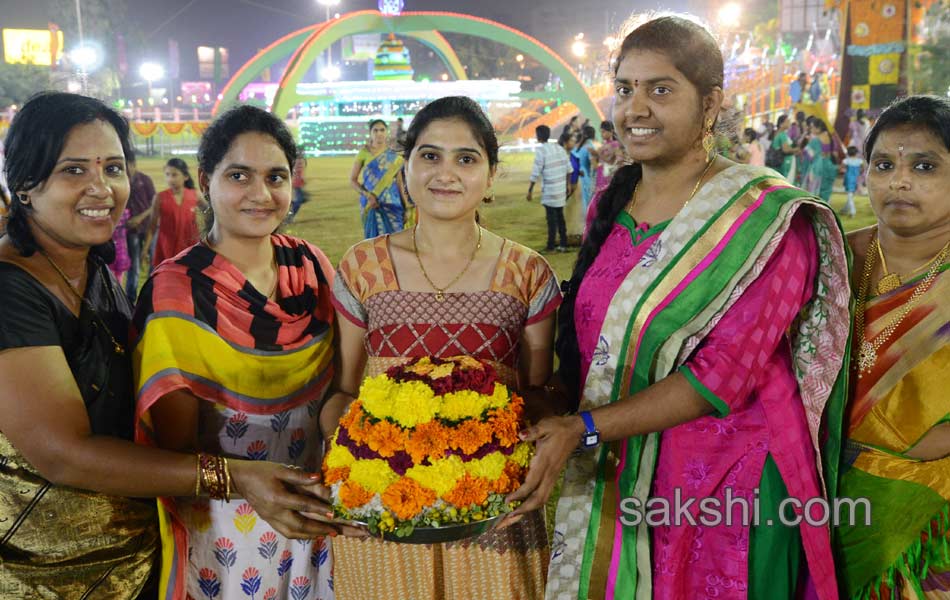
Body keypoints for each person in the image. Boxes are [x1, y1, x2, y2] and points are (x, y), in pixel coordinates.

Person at [498, 16, 851, 600]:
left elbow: (725, 375)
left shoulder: (766, 219)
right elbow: (594, 344)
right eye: (625, 88)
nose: (635, 108)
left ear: (710, 103)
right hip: (619, 459)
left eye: (660, 89)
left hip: (725, 478)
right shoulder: (613, 204)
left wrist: (582, 429)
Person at [0, 92, 341, 599]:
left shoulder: (87, 268)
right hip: (48, 573)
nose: (102, 188)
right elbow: (62, 455)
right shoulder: (12, 289)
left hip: (136, 554)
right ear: (24, 184)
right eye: (74, 170)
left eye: (113, 168)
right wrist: (236, 476)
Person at [322, 95, 562, 600]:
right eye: (429, 155)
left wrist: (499, 450)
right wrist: (358, 466)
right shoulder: (363, 266)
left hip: (493, 517)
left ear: (491, 174)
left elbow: (538, 393)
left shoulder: (526, 272)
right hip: (384, 518)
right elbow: (343, 393)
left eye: (466, 158)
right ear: (405, 166)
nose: (445, 173)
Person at [133, 105, 350, 599]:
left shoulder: (311, 268)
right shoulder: (178, 291)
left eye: (275, 176)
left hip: (314, 512)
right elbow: (177, 449)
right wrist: (250, 489)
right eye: (239, 176)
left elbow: (341, 387)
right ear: (207, 181)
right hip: (224, 526)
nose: (261, 194)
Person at [837, 94, 950, 599]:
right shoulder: (833, 259)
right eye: (883, 164)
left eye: (924, 166)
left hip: (932, 512)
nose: (899, 181)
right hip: (825, 496)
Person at [349, 118, 410, 238]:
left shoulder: (393, 155)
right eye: (375, 130)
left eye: (382, 130)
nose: (379, 133)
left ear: (386, 132)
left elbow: (399, 183)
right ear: (370, 133)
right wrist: (368, 195)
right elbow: (353, 180)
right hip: (371, 203)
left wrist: (406, 206)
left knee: (396, 241)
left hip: (393, 203)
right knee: (374, 243)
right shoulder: (364, 153)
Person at [144, 157, 202, 267]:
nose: (170, 179)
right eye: (167, 175)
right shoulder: (159, 198)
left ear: (185, 176)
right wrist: (146, 248)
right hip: (166, 249)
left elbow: (211, 213)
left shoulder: (195, 195)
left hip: (189, 248)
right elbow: (152, 227)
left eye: (174, 175)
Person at [527, 124, 570, 252]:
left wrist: (530, 190)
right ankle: (563, 244)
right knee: (560, 218)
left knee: (551, 220)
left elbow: (536, 171)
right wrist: (567, 185)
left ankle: (551, 245)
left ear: (538, 136)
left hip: (550, 191)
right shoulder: (559, 148)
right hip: (561, 189)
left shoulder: (541, 151)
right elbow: (569, 169)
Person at [122, 151, 156, 302]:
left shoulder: (145, 180)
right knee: (134, 266)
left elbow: (154, 204)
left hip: (149, 228)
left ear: (133, 164)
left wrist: (140, 217)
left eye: (127, 164)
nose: (125, 168)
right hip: (131, 231)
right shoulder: (121, 182)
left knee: (154, 263)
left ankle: (151, 297)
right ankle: (131, 300)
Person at [803, 118, 837, 203]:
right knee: (825, 189)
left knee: (815, 190)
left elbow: (808, 153)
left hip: (818, 167)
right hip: (828, 165)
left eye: (812, 127)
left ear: (818, 129)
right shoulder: (829, 137)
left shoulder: (815, 140)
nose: (811, 129)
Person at [572, 124, 598, 213]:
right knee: (591, 200)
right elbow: (594, 165)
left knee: (587, 200)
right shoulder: (590, 145)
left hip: (582, 174)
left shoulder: (580, 145)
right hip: (588, 175)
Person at [770, 114, 800, 180]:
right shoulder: (782, 134)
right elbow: (786, 150)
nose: (789, 122)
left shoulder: (777, 133)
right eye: (787, 121)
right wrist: (796, 149)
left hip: (780, 162)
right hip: (786, 162)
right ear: (781, 124)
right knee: (788, 181)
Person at [595, 120, 622, 189]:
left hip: (610, 174)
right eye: (600, 132)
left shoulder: (615, 144)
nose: (601, 134)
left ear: (611, 131)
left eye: (603, 132)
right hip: (602, 174)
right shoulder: (603, 145)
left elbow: (619, 159)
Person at [841, 145, 864, 217]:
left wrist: (845, 171)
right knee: (850, 195)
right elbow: (862, 169)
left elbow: (842, 169)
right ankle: (845, 209)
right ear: (856, 153)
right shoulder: (860, 161)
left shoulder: (846, 161)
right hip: (856, 179)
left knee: (850, 195)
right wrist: (858, 173)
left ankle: (852, 211)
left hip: (848, 179)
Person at [287, 155, 309, 222]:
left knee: (301, 199)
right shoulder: (298, 162)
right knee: (299, 201)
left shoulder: (295, 162)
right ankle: (290, 217)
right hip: (297, 184)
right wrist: (303, 180)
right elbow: (299, 173)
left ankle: (291, 205)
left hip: (296, 184)